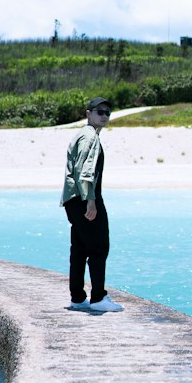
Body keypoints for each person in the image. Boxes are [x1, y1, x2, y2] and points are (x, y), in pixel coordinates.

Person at [60, 97, 123, 314]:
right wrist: (91, 201)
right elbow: (83, 171)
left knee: (79, 250)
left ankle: (78, 298)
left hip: (72, 200)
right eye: (100, 112)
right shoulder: (90, 138)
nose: (104, 116)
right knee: (99, 248)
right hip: (84, 198)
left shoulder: (81, 134)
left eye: (107, 112)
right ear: (89, 113)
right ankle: (98, 297)